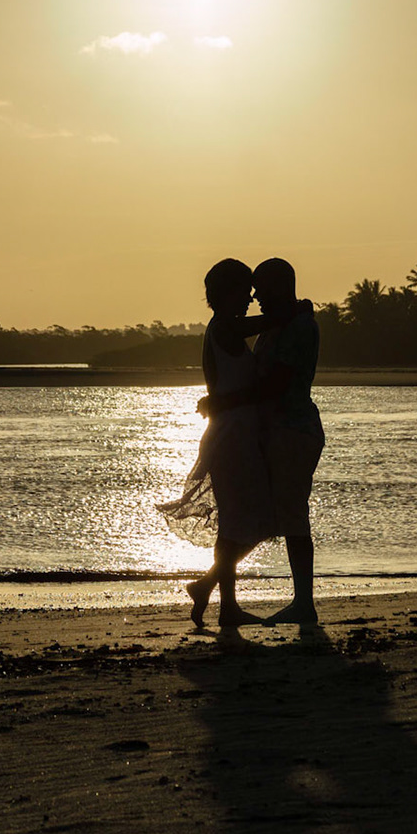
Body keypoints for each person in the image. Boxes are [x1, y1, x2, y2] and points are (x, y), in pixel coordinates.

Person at [198, 256, 324, 625]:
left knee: (279, 516)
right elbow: (258, 343)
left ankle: (301, 603)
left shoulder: (294, 326)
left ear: (281, 288)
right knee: (255, 517)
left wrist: (221, 401)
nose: (255, 296)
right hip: (249, 434)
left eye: (261, 288)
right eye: (248, 289)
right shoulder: (243, 326)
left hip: (289, 431)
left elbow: (275, 383)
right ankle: (217, 593)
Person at [159, 259, 275, 629]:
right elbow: (261, 324)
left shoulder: (224, 328)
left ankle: (211, 588)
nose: (251, 297)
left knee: (253, 521)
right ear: (227, 293)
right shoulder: (225, 327)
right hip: (231, 438)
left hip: (236, 434)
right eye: (245, 290)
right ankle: (225, 605)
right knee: (244, 523)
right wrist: (288, 312)